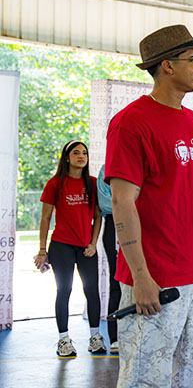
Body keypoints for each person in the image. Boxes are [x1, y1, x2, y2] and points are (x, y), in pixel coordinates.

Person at [105, 25, 193, 387]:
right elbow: (122, 202)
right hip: (157, 277)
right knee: (145, 378)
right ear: (167, 66)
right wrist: (140, 276)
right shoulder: (131, 123)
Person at [34, 140, 106, 356]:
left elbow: (98, 216)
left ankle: (95, 337)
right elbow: (45, 218)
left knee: (92, 291)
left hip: (86, 248)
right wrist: (42, 250)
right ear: (67, 158)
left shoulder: (93, 183)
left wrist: (93, 243)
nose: (81, 156)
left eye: (84, 153)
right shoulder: (55, 184)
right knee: (64, 290)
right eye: (76, 153)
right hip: (61, 246)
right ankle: (63, 340)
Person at [96, 164, 122, 354]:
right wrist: (128, 204)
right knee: (116, 281)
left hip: (142, 222)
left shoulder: (143, 164)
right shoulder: (107, 169)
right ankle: (115, 337)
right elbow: (105, 203)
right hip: (115, 224)